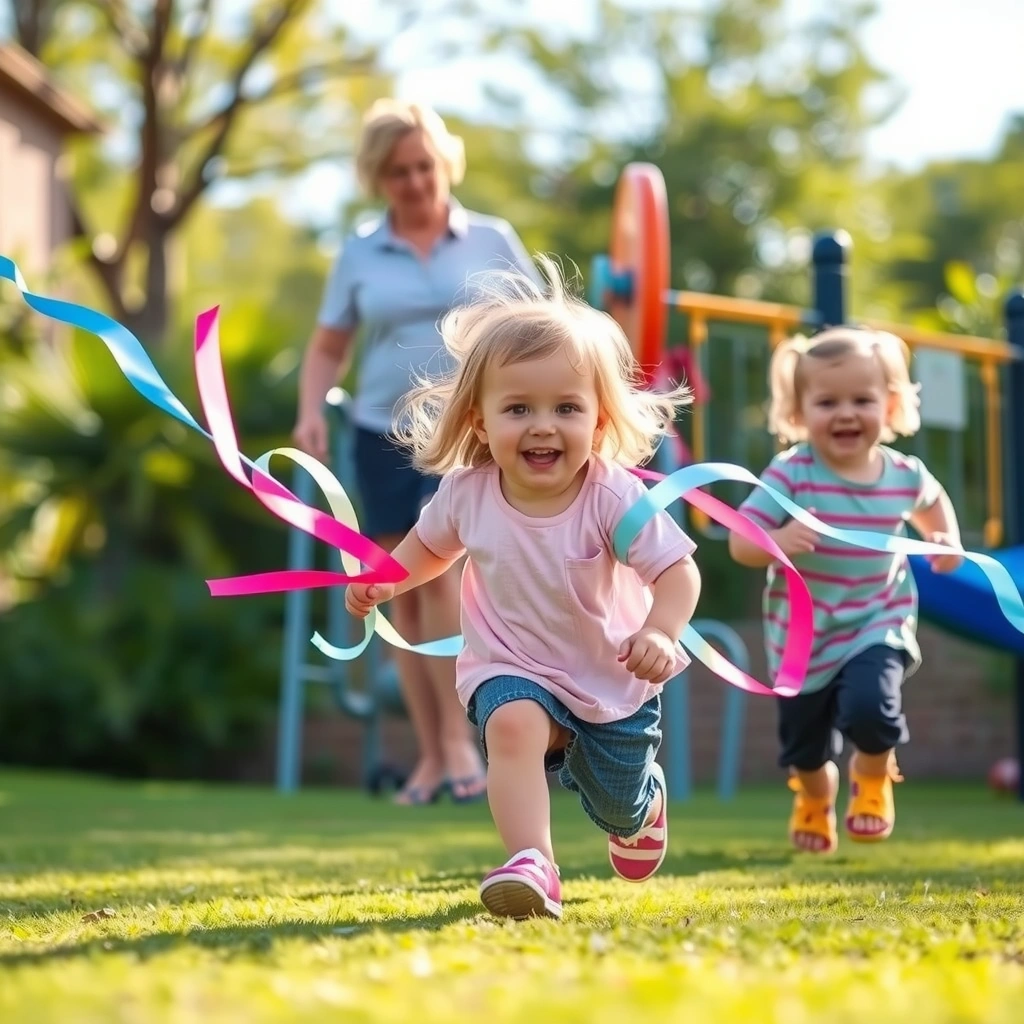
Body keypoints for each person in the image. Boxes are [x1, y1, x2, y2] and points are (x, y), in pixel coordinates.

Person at [345, 259, 701, 920]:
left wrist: (660, 630)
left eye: (566, 407)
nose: (543, 425)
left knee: (616, 802)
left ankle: (639, 805)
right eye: (519, 408)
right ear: (481, 422)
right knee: (510, 725)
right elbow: (426, 550)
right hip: (510, 665)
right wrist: (383, 579)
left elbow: (678, 570)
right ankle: (533, 863)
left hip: (609, 678)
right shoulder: (467, 494)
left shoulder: (610, 495)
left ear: (597, 422)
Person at [293, 99, 539, 806]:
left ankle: (462, 745)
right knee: (399, 589)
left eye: (424, 165)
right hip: (382, 432)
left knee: (441, 577)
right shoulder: (360, 251)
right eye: (398, 171)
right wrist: (311, 409)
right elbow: (328, 346)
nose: (414, 182)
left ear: (445, 162)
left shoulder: (492, 239)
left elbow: (537, 326)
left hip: (470, 430)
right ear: (378, 177)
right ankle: (433, 756)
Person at [728, 328, 964, 854]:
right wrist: (777, 539)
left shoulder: (903, 474)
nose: (846, 414)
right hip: (802, 636)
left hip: (878, 618)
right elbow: (741, 545)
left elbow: (932, 502)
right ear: (798, 411)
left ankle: (873, 776)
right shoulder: (792, 474)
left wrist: (944, 539)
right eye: (827, 402)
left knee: (872, 711)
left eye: (863, 400)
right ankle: (815, 796)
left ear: (891, 404)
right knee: (804, 750)